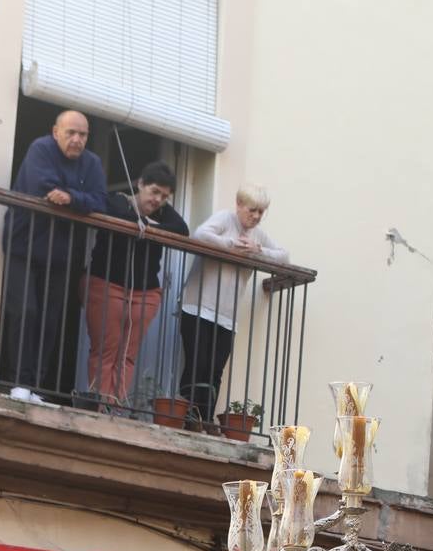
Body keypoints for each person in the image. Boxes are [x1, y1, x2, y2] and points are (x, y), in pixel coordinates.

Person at [0, 109, 107, 404]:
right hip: (25, 244)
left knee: (50, 319)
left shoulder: (93, 163)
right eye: (70, 133)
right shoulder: (40, 149)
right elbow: (43, 187)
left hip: (63, 254)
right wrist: (77, 199)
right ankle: (19, 383)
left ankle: (34, 387)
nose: (77, 140)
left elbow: (101, 201)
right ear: (55, 131)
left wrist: (72, 198)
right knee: (25, 311)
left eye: (82, 134)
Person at [178, 184, 288, 429]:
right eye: (252, 210)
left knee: (215, 370)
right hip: (198, 308)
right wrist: (231, 245)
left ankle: (204, 419)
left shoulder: (257, 235)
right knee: (198, 364)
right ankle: (189, 418)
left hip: (227, 316)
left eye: (261, 212)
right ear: (239, 205)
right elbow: (200, 234)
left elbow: (283, 256)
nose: (257, 216)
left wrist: (256, 250)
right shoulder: (224, 219)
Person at [83, 161, 188, 407]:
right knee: (105, 350)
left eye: (164, 196)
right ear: (140, 184)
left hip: (145, 292)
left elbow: (182, 230)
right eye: (154, 192)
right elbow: (114, 215)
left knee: (127, 355)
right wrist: (141, 223)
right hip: (106, 283)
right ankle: (101, 405)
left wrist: (150, 226)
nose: (158, 200)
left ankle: (115, 405)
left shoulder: (164, 213)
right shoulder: (119, 201)